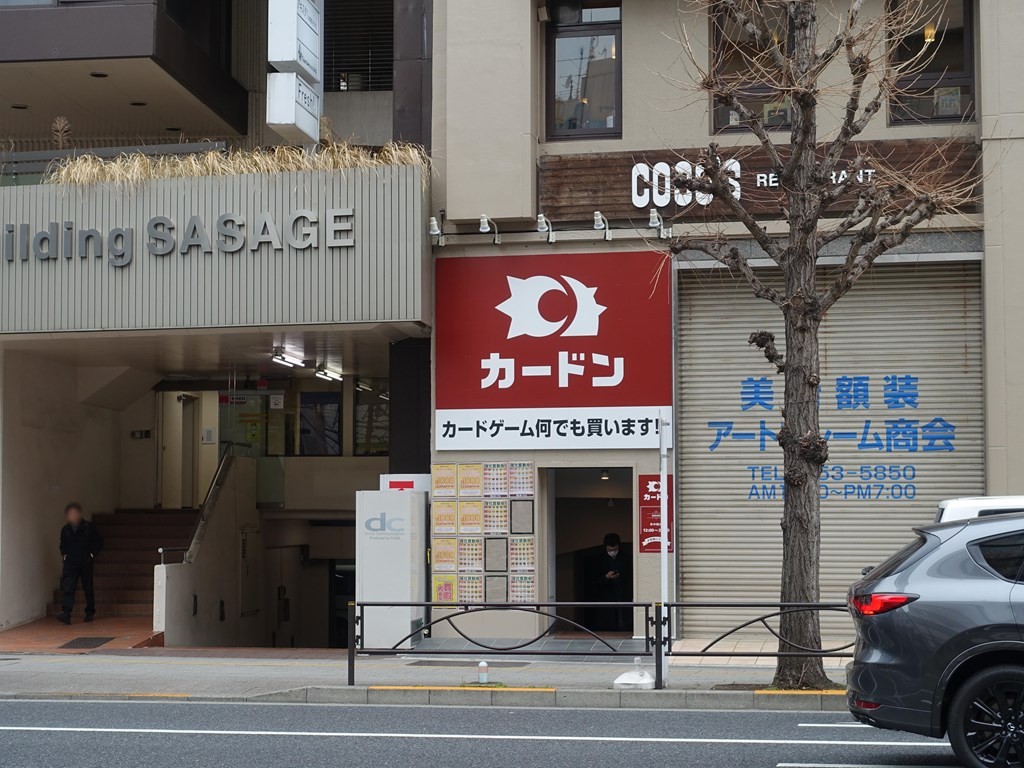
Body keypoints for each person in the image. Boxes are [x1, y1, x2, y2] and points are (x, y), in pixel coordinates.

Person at [57, 502, 103, 625]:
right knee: (68, 587)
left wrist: (92, 554)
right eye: (70, 514)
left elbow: (98, 541)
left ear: (79, 514)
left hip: (85, 561)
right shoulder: (66, 530)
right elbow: (62, 544)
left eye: (75, 513)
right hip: (70, 563)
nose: (73, 516)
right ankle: (66, 613)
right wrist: (64, 555)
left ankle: (90, 612)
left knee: (87, 587)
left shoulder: (88, 527)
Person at [594, 532, 631, 631]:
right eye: (610, 550)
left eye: (615, 549)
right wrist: (606, 577)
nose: (613, 552)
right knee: (607, 621)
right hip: (606, 596)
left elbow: (630, 576)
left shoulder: (626, 558)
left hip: (623, 594)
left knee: (624, 620)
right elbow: (594, 580)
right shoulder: (599, 559)